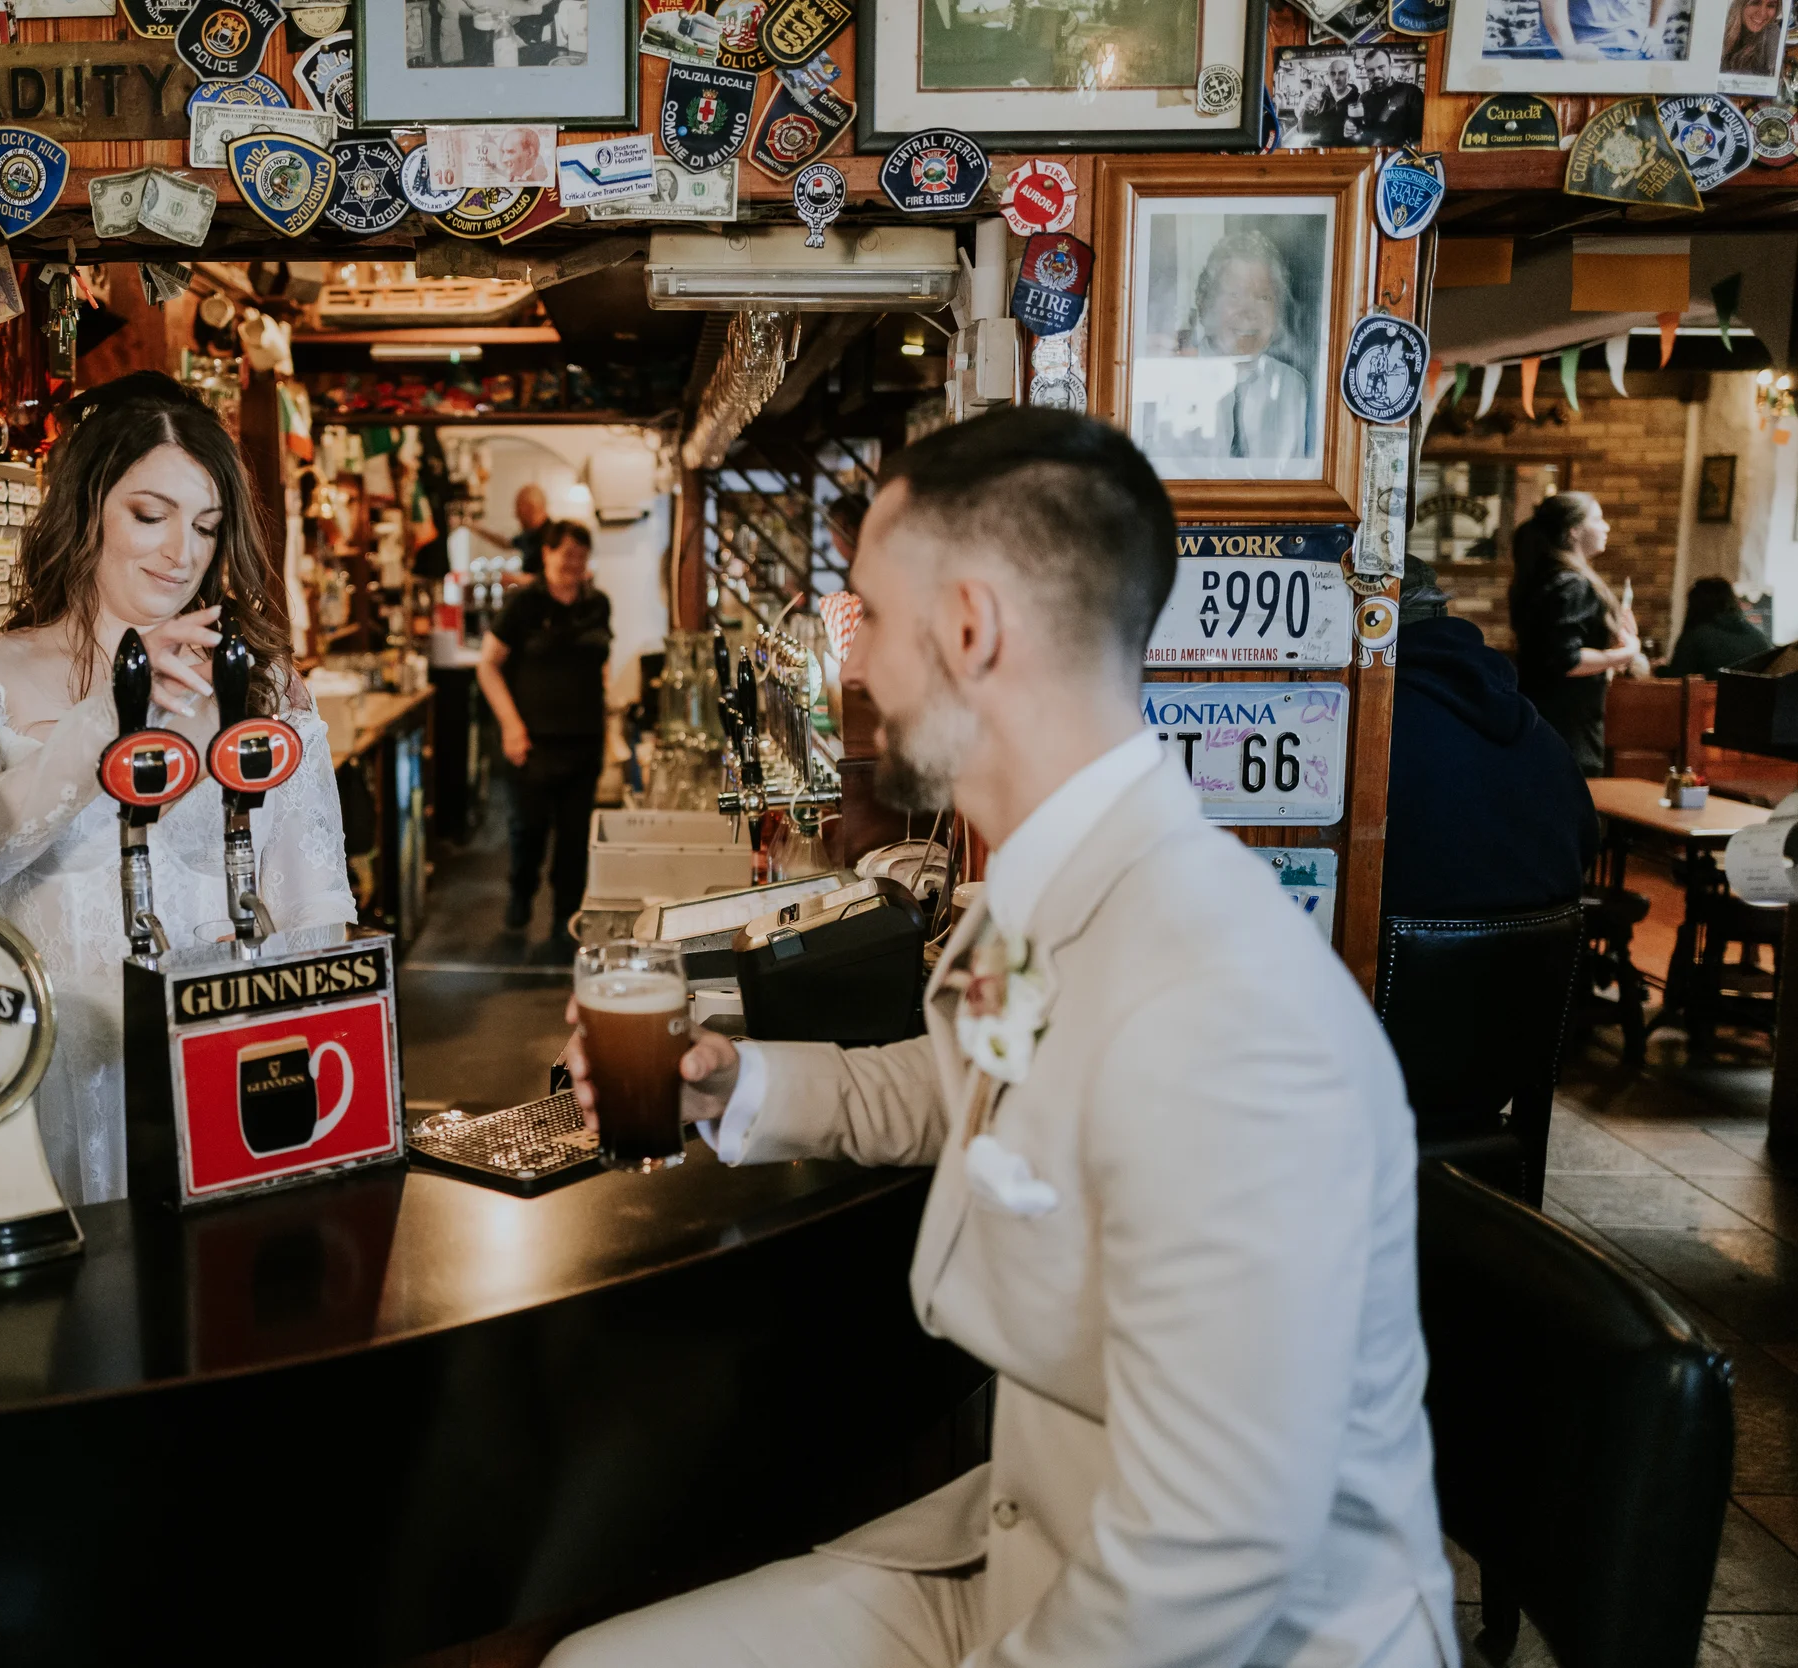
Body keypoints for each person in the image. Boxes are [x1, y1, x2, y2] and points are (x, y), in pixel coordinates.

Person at [550, 408, 1456, 1668]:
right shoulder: (1055, 880)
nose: (851, 672)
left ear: (970, 628)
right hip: (1035, 1539)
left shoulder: (1221, 1013)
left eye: (864, 616)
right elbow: (970, 1087)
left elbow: (1216, 1552)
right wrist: (733, 1084)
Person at [0, 374, 356, 1204]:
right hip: (42, 1090)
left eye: (205, 526)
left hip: (222, 1084)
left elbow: (315, 915)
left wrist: (317, 1103)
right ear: (86, 508)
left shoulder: (260, 690)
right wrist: (107, 719)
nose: (181, 553)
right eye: (150, 516)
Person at [1383, 558, 1600, 918]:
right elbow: (1586, 844)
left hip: (1397, 964)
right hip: (1542, 964)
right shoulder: (1535, 728)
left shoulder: (1371, 726)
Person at [479, 519, 610, 943]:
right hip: (533, 742)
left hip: (585, 741)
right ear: (547, 554)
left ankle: (565, 923)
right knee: (528, 830)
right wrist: (511, 726)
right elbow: (488, 665)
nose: (573, 562)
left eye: (581, 554)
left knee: (575, 843)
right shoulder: (524, 605)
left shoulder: (598, 604)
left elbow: (599, 660)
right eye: (565, 553)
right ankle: (521, 892)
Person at [1509, 490, 1645, 774]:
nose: (1606, 527)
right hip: (1567, 729)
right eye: (1598, 518)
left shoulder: (1544, 576)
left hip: (1539, 721)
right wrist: (1625, 652)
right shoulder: (1573, 584)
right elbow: (1567, 660)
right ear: (1574, 531)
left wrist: (1609, 651)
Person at [1167, 230, 1311, 463]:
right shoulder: (1171, 380)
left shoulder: (1292, 388)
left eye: (1263, 297)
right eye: (1234, 295)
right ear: (1204, 303)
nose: (1249, 311)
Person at [1661, 576, 1773, 678]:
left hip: (1708, 700)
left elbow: (1676, 679)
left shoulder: (1696, 636)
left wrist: (1658, 669)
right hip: (1752, 700)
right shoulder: (1759, 638)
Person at [1532, 0, 1670, 58]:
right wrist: (1569, 50)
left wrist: (1656, 31)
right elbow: (1553, 6)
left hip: (1633, 43)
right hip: (1579, 46)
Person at [473, 482, 552, 576]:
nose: (516, 515)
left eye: (519, 508)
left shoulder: (554, 537)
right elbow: (505, 543)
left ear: (532, 507)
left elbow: (555, 580)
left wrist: (518, 580)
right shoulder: (529, 534)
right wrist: (473, 527)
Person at [1721, 0, 1784, 76]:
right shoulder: (1718, 29)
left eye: (1770, 5)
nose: (1763, 14)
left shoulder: (1771, 33)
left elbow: (1777, 79)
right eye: (1755, 3)